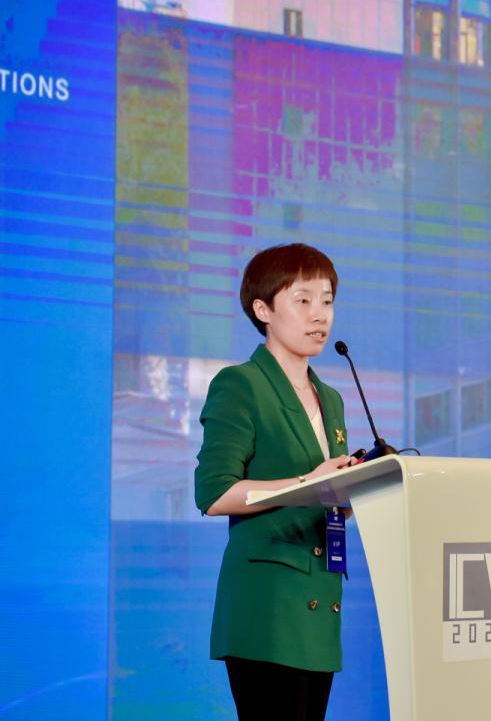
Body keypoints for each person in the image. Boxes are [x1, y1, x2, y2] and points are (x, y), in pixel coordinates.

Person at [194, 243, 356, 720]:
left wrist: (351, 493)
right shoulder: (241, 384)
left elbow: (322, 495)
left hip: (320, 598)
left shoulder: (331, 398)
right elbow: (214, 493)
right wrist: (310, 481)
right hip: (266, 604)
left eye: (327, 301)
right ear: (263, 310)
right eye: (302, 300)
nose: (319, 315)